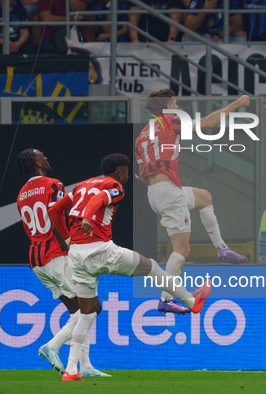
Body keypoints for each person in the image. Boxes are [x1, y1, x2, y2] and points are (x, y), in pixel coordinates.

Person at [48, 153, 211, 381]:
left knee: (86, 314)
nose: (126, 177)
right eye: (125, 173)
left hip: (76, 254)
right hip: (100, 250)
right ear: (121, 172)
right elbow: (100, 200)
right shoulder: (115, 185)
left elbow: (54, 210)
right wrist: (87, 217)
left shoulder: (82, 186)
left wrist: (67, 240)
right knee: (152, 267)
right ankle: (192, 301)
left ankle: (72, 370)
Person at [134, 89, 249, 315]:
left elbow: (141, 171)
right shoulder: (171, 120)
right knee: (182, 248)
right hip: (168, 192)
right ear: (167, 108)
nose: (178, 108)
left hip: (155, 192)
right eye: (175, 104)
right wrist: (234, 105)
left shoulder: (143, 134)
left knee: (205, 197)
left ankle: (222, 249)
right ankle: (167, 298)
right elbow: (206, 124)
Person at [16, 148, 109, 378]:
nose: (47, 157)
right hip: (57, 253)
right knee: (93, 308)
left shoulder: (21, 195)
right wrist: (70, 245)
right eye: (43, 156)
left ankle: (84, 366)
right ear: (37, 162)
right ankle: (52, 346)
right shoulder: (52, 184)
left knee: (77, 311)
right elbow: (56, 215)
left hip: (37, 260)